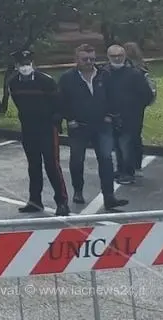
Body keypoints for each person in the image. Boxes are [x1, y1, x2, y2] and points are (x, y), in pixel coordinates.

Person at [58, 44, 127, 211]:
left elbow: (115, 97)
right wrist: (70, 119)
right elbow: (61, 101)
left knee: (106, 160)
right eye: (85, 59)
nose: (89, 62)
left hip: (102, 125)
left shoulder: (105, 75)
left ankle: (109, 197)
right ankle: (78, 191)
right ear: (76, 60)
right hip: (78, 126)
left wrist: (110, 115)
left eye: (92, 59)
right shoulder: (67, 78)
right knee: (76, 161)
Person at [7, 49, 70, 216]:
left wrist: (55, 120)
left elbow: (59, 103)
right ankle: (35, 201)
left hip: (47, 129)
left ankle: (62, 202)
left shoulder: (45, 81)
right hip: (28, 129)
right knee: (33, 166)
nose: (26, 67)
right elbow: (18, 102)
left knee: (52, 165)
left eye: (28, 64)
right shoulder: (14, 82)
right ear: (16, 66)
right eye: (22, 64)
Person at [107, 44, 155, 185]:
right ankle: (121, 169)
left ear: (124, 56)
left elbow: (146, 95)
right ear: (109, 57)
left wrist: (135, 109)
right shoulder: (104, 73)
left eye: (119, 56)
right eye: (113, 56)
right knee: (117, 145)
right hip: (111, 116)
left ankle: (128, 172)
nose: (117, 59)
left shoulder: (134, 74)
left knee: (126, 144)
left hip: (131, 116)